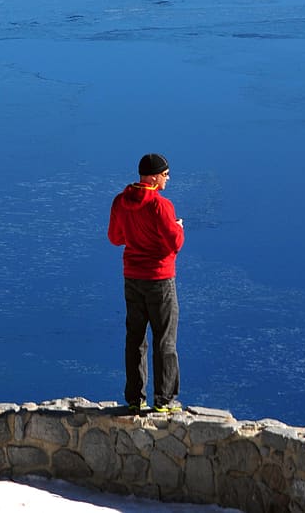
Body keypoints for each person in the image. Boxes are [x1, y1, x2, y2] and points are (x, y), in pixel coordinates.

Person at [108, 153, 184, 414]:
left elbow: (115, 238)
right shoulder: (160, 206)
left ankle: (134, 398)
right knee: (165, 339)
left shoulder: (120, 201)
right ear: (153, 176)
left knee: (135, 338)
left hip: (132, 278)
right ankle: (164, 401)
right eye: (165, 174)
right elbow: (175, 243)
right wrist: (178, 227)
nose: (168, 178)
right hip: (160, 279)